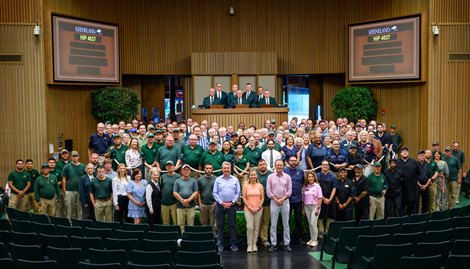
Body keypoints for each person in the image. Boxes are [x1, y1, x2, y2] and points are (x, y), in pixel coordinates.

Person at [213, 162, 241, 253]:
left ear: (230, 169)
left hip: (231, 205)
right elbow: (214, 193)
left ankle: (233, 244)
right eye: (224, 168)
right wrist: (222, 203)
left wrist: (232, 202)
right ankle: (220, 244)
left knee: (232, 226)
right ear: (222, 169)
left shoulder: (235, 179)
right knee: (220, 226)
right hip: (220, 206)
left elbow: (238, 193)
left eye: (227, 168)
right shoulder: (217, 179)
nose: (226, 169)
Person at [267, 159, 292, 252]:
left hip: (285, 201)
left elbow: (290, 190)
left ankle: (287, 243)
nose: (279, 167)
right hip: (274, 201)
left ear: (283, 166)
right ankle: (273, 244)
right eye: (277, 165)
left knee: (286, 224)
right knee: (273, 224)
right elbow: (268, 190)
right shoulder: (270, 177)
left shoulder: (287, 177)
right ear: (275, 166)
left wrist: (282, 199)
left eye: (281, 165)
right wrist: (276, 199)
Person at [284, 156, 305, 245]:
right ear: (288, 162)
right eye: (291, 161)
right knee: (286, 220)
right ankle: (286, 240)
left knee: (298, 220)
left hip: (298, 200)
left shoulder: (300, 171)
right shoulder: (285, 171)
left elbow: (303, 182)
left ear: (297, 162)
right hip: (287, 199)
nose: (293, 162)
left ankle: (298, 238)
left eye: (294, 161)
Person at [243, 170, 264, 253]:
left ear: (256, 176)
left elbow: (262, 197)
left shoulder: (260, 186)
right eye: (251, 175)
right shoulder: (246, 186)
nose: (253, 176)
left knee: (256, 227)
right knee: (250, 227)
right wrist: (250, 207)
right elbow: (244, 198)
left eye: (254, 175)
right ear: (249, 176)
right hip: (248, 209)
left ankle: (254, 244)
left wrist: (259, 207)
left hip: (258, 209)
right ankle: (249, 245)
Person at [173, 164, 198, 233]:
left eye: (188, 170)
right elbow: (175, 192)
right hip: (180, 206)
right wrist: (182, 200)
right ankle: (182, 238)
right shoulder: (177, 181)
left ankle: (190, 238)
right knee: (180, 224)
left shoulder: (194, 181)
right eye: (184, 170)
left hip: (191, 205)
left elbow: (196, 192)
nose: (186, 171)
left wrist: (188, 200)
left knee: (190, 224)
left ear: (190, 171)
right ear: (181, 171)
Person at [61, 151, 86, 219]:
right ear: (71, 157)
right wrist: (64, 190)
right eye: (73, 156)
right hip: (69, 191)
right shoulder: (67, 167)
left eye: (76, 156)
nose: (75, 158)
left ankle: (79, 224)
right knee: (69, 209)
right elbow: (64, 179)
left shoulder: (83, 166)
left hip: (80, 191)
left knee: (80, 209)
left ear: (78, 157)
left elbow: (85, 179)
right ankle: (70, 224)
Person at [302, 171, 323, 247]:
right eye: (309, 177)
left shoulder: (317, 186)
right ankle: (311, 239)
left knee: (313, 223)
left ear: (314, 177)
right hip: (307, 207)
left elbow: (320, 198)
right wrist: (303, 209)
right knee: (310, 224)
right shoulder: (305, 187)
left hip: (315, 207)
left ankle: (315, 240)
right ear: (307, 178)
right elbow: (303, 199)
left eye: (312, 177)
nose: (310, 178)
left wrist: (317, 208)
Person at [317, 160, 338, 235]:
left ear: (329, 166)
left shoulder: (333, 176)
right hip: (320, 200)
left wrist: (330, 199)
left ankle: (328, 234)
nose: (325, 166)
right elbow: (317, 188)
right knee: (320, 217)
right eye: (323, 165)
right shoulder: (317, 176)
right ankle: (320, 234)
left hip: (330, 200)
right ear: (321, 166)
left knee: (330, 217)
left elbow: (334, 188)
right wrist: (323, 198)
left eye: (326, 165)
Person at [397, 147, 419, 215]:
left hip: (412, 190)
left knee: (411, 210)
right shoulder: (397, 162)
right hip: (401, 191)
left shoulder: (413, 161)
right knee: (401, 210)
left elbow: (418, 173)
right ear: (400, 153)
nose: (405, 152)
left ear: (408, 153)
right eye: (403, 151)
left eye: (406, 151)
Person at [256, 159, 273, 247]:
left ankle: (264, 239)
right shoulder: (255, 174)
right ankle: (256, 239)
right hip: (256, 203)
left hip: (267, 202)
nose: (262, 166)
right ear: (258, 166)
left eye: (264, 164)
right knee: (257, 222)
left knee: (265, 221)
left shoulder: (271, 174)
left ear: (266, 165)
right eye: (260, 164)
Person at [198, 163, 217, 231]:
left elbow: (218, 192)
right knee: (203, 223)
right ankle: (204, 238)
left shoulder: (216, 179)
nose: (208, 170)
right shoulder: (200, 179)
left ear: (212, 169)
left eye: (210, 168)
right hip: (203, 204)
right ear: (204, 169)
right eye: (207, 168)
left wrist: (216, 202)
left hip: (213, 204)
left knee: (213, 223)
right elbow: (198, 192)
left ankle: (213, 238)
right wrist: (200, 204)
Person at [160, 161, 180, 225]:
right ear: (166, 167)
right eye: (168, 165)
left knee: (175, 221)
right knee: (165, 222)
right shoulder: (163, 176)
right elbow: (161, 188)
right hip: (164, 202)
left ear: (174, 166)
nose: (169, 167)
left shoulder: (178, 176)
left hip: (174, 202)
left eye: (171, 165)